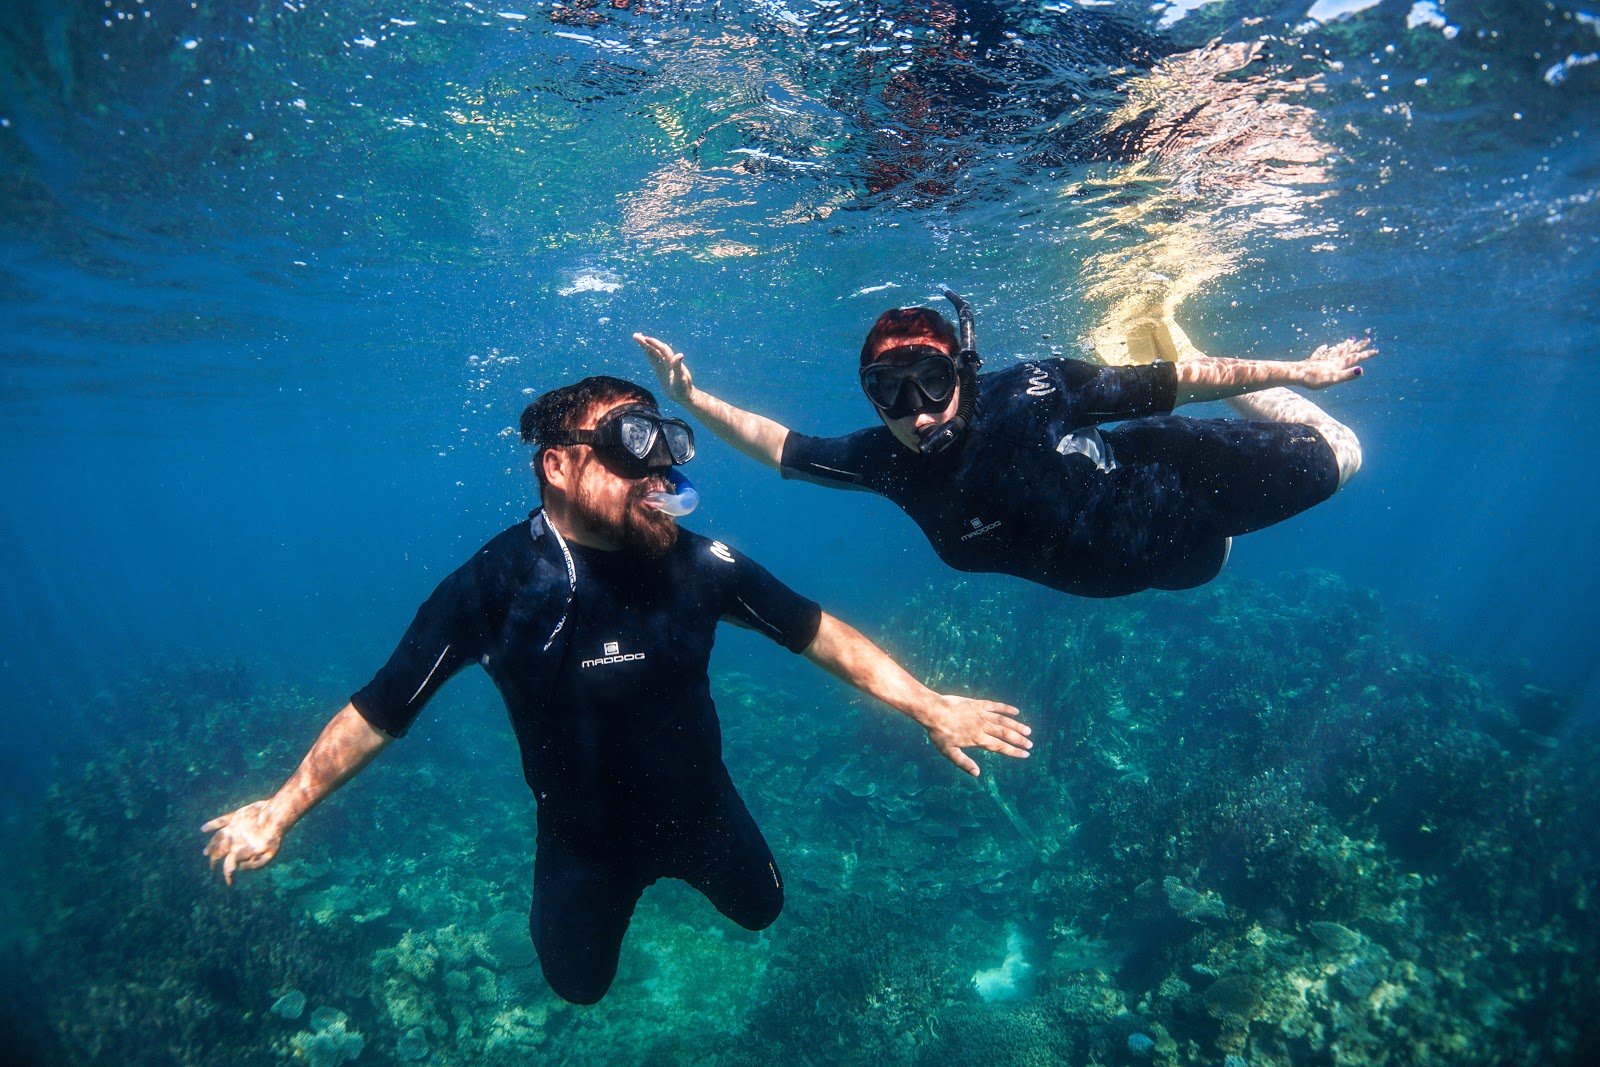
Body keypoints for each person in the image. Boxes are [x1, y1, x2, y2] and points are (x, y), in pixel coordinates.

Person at [201, 374, 1031, 1006]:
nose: (661, 464)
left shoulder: (699, 563)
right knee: (577, 986)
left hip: (703, 810)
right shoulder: (494, 587)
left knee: (763, 910)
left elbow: (814, 629)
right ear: (558, 465)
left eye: (666, 441)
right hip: (582, 841)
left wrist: (927, 702)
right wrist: (281, 807)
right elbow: (382, 707)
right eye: (633, 443)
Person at [634, 291, 1374, 598]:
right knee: (1210, 565)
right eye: (888, 392)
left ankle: (1175, 325)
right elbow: (783, 448)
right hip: (1168, 567)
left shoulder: (1033, 391)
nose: (916, 412)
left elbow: (1180, 383)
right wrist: (690, 399)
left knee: (1343, 449)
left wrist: (1300, 371)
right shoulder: (885, 461)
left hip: (1173, 483)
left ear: (962, 371)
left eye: (931, 382)